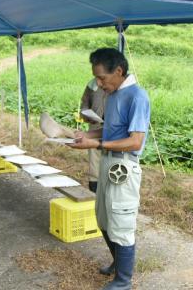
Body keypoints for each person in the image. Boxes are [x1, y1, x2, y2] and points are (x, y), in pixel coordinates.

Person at [69, 48, 150, 290]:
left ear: (118, 71)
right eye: (96, 78)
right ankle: (118, 263)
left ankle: (124, 281)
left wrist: (97, 143)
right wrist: (87, 135)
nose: (99, 83)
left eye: (102, 78)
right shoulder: (113, 94)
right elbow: (110, 130)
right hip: (107, 162)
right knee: (104, 219)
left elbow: (135, 141)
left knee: (122, 223)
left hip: (123, 168)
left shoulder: (137, 96)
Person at [80, 78, 107, 193]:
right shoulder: (91, 85)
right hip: (95, 128)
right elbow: (84, 104)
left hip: (114, 130)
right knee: (95, 162)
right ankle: (94, 187)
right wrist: (86, 115)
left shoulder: (120, 85)